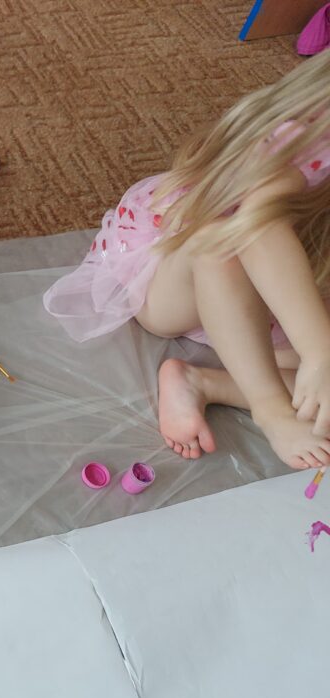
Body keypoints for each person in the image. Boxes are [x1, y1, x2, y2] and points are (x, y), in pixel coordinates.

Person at [44, 51, 330, 469]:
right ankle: (271, 408)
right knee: (220, 245)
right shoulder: (312, 137)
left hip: (270, 271)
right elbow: (254, 228)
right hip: (172, 270)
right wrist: (320, 351)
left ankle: (203, 382)